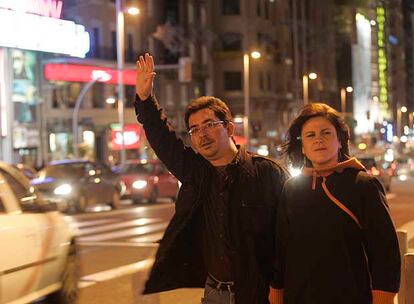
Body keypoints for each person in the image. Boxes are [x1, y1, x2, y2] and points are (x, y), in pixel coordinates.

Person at [134, 53, 289, 304]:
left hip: (258, 293)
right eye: (194, 130)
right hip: (214, 292)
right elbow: (163, 138)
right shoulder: (196, 173)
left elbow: (285, 238)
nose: (201, 134)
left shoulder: (267, 173)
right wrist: (144, 98)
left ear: (228, 128)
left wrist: (279, 287)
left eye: (209, 125)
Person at [269, 103, 400, 304]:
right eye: (310, 135)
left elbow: (384, 249)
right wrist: (277, 292)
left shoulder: (363, 184)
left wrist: (383, 298)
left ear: (339, 141)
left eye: (326, 133)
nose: (318, 140)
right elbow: (281, 248)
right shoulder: (292, 188)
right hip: (298, 297)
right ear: (303, 146)